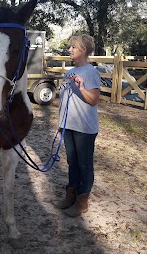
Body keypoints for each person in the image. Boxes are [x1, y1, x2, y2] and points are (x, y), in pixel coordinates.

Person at [52, 34, 100, 217]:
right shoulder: (69, 72)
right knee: (72, 162)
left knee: (84, 165)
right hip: (68, 126)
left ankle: (82, 202)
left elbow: (94, 100)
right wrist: (60, 123)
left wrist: (81, 89)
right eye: (70, 47)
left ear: (84, 50)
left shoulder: (91, 72)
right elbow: (64, 100)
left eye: (73, 47)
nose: (69, 50)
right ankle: (70, 196)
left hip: (85, 128)